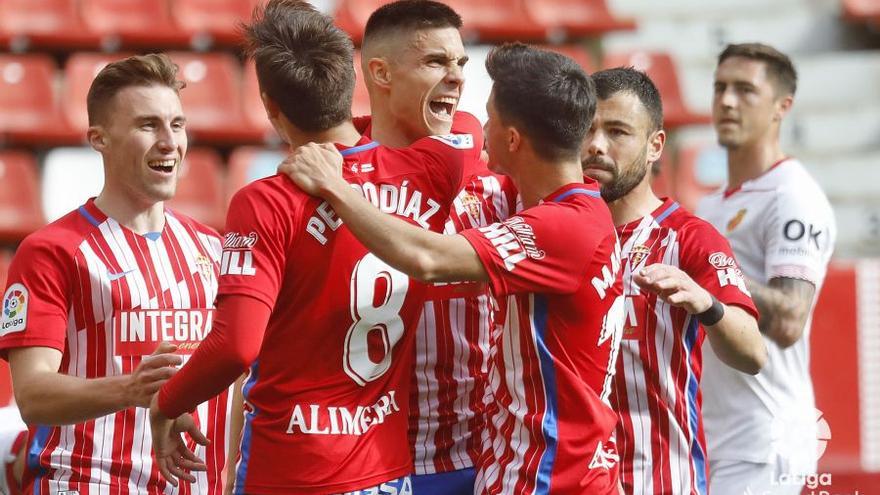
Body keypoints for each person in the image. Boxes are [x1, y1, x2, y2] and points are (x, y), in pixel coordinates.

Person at [148, 1, 481, 493]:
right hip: (385, 471)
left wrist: (166, 403)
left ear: (270, 105)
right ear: (353, 83)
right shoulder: (436, 168)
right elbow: (465, 128)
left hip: (293, 468)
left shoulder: (265, 201)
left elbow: (236, 346)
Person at [282, 43, 625, 495]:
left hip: (545, 475)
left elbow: (428, 259)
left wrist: (336, 188)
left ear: (514, 139)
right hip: (563, 466)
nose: (481, 129)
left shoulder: (562, 228)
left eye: (491, 119)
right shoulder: (580, 211)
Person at [0, 53, 230, 494]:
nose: (169, 142)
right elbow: (33, 397)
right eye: (148, 125)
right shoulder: (52, 251)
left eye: (177, 125)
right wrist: (132, 389)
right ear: (99, 139)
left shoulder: (211, 249)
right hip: (87, 483)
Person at [581, 67, 767, 495]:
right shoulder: (556, 233)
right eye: (587, 129)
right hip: (574, 480)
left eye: (617, 131)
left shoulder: (689, 238)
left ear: (654, 146)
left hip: (659, 478)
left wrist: (707, 304)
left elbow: (752, 353)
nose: (595, 145)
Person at [356, 2, 516, 492]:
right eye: (435, 63)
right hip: (372, 464)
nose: (456, 78)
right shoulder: (337, 187)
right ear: (380, 72)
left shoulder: (496, 190)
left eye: (460, 64)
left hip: (484, 458)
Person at [696, 43, 836, 495]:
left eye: (744, 90)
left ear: (782, 107)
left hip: (765, 440)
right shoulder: (712, 203)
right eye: (720, 88)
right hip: (716, 434)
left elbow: (790, 317)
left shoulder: (792, 195)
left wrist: (706, 274)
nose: (727, 101)